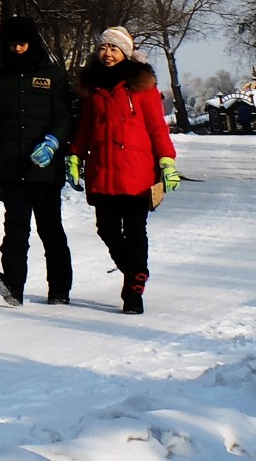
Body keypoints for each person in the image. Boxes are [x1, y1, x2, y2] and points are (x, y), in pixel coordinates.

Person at [69, 26, 179, 314]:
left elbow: (157, 127)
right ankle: (134, 269)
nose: (107, 54)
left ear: (125, 53)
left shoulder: (142, 86)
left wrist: (167, 161)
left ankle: (134, 292)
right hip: (102, 171)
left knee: (134, 230)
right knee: (106, 229)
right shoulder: (92, 87)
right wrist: (75, 156)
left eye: (114, 49)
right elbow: (85, 127)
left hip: (136, 171)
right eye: (103, 48)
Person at [0, 13, 74, 307]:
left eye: (22, 44)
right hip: (12, 166)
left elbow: (63, 116)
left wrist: (53, 142)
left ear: (32, 43)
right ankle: (13, 285)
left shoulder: (53, 76)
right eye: (12, 45)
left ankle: (59, 289)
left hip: (44, 169)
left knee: (50, 230)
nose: (17, 50)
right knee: (15, 230)